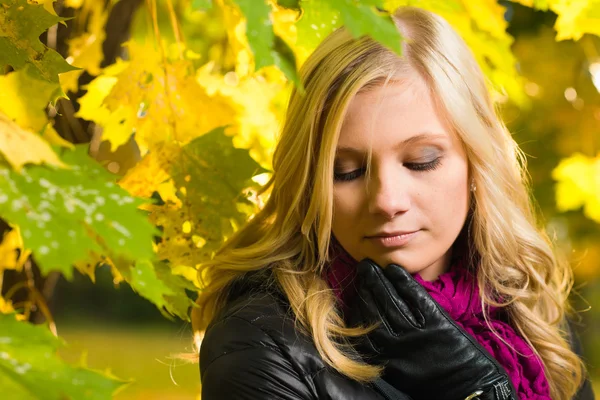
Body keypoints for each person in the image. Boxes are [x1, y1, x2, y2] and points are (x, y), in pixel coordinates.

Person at [191, 6, 595, 400]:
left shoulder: (530, 306)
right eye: (346, 171)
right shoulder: (259, 343)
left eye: (421, 162)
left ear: (477, 163)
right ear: (310, 182)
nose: (386, 201)